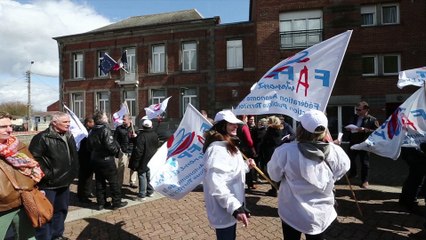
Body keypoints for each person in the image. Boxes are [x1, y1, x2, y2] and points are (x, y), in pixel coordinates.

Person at [268, 109, 350, 240]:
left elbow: (274, 176)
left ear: (300, 129)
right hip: (321, 213)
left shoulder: (285, 151)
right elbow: (340, 173)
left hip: (291, 211)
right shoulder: (337, 152)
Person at [202, 110, 256, 240]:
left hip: (230, 206)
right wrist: (235, 207)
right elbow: (216, 184)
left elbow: (231, 170)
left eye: (236, 123)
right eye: (231, 123)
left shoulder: (227, 144)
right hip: (225, 209)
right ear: (222, 126)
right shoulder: (217, 149)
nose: (236, 126)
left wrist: (245, 166)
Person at [29, 111, 79, 240]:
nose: (68, 124)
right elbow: (34, 159)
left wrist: (74, 171)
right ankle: (45, 237)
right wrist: (49, 174)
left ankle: (57, 235)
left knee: (61, 210)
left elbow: (73, 156)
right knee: (46, 213)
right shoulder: (42, 138)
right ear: (54, 123)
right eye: (65, 122)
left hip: (65, 181)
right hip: (49, 184)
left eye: (69, 122)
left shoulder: (68, 135)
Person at [0, 112, 44, 240]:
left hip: (24, 202)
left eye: (10, 125)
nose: (9, 130)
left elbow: (33, 169)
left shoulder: (18, 145)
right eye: (3, 126)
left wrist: (35, 187)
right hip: (2, 206)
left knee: (28, 237)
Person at [87, 111, 128, 211]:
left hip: (95, 160)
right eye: (105, 116)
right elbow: (110, 145)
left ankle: (101, 203)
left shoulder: (92, 131)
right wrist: (117, 152)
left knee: (99, 181)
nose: (107, 117)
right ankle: (116, 202)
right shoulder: (105, 129)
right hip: (106, 160)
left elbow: (89, 146)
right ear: (102, 119)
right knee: (113, 182)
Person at [344, 101, 380, 188]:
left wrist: (365, 130)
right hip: (353, 141)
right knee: (350, 158)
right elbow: (348, 125)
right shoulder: (354, 116)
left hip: (365, 143)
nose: (357, 111)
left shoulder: (373, 119)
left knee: (364, 163)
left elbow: (377, 132)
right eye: (356, 109)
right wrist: (348, 128)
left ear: (366, 109)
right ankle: (353, 173)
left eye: (359, 109)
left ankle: (365, 181)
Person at [259, 115, 295, 196]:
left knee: (272, 172)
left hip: (270, 154)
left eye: (269, 122)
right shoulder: (278, 130)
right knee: (276, 172)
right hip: (275, 153)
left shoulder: (271, 131)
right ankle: (276, 188)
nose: (267, 123)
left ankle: (275, 188)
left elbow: (266, 142)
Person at [129, 119, 159, 201]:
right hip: (151, 158)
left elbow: (139, 150)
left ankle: (142, 194)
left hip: (143, 159)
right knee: (149, 175)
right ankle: (150, 191)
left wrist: (136, 162)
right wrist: (135, 138)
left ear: (142, 126)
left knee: (142, 176)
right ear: (151, 126)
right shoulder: (154, 134)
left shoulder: (141, 136)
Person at [398, 144, 426, 213]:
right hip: (417, 151)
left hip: (412, 149)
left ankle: (404, 199)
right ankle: (410, 203)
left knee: (413, 176)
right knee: (416, 178)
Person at [113, 114, 138, 190]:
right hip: (123, 150)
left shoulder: (135, 128)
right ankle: (119, 183)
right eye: (123, 119)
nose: (123, 121)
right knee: (121, 167)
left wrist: (136, 136)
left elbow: (139, 140)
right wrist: (119, 148)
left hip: (132, 150)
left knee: (133, 167)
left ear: (130, 120)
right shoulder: (119, 128)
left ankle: (132, 182)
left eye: (124, 119)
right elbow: (115, 139)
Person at [77, 117, 95, 203]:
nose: (94, 124)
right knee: (83, 177)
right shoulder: (83, 132)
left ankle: (87, 192)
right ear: (88, 123)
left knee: (89, 176)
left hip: (89, 157)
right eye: (92, 122)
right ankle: (82, 195)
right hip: (84, 157)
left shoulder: (90, 131)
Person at [236, 115, 257, 190]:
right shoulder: (243, 126)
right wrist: (252, 147)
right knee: (249, 165)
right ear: (244, 118)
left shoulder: (235, 125)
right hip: (246, 149)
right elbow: (249, 140)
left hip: (237, 149)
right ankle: (250, 183)